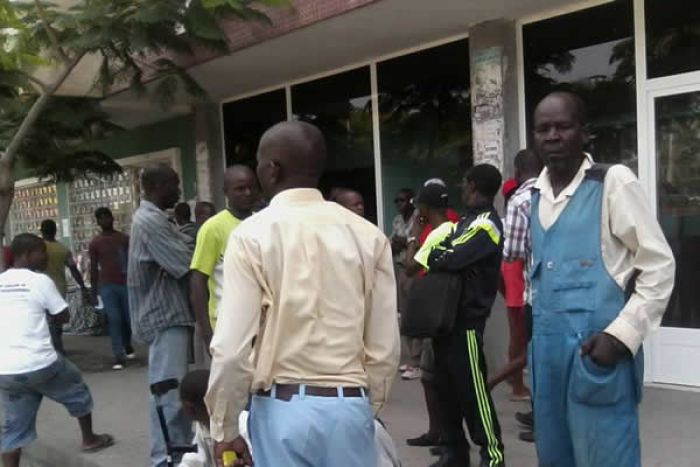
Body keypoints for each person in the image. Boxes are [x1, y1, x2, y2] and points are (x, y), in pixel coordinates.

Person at [205, 121, 400, 467]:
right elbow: (384, 347)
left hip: (281, 410)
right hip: (349, 405)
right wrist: (362, 410)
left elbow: (231, 350)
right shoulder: (368, 236)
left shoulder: (251, 236)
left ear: (272, 169)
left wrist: (225, 427)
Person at [529, 91, 675, 467]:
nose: (552, 136)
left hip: (597, 358)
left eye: (563, 126)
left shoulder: (612, 182)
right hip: (546, 363)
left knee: (606, 458)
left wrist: (622, 335)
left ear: (584, 133)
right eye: (543, 129)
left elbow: (658, 265)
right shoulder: (534, 196)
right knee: (554, 457)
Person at [414, 164, 506, 467]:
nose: (461, 189)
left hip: (466, 321)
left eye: (464, 183)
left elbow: (450, 256)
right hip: (445, 319)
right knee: (444, 390)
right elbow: (428, 257)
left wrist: (443, 256)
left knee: (472, 392)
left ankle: (492, 455)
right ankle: (455, 452)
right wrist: (442, 256)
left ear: (474, 186)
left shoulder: (486, 224)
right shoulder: (464, 222)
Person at [0, 234, 114, 467]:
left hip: (6, 370)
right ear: (28, 253)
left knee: (14, 428)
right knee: (76, 387)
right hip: (41, 364)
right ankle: (89, 439)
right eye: (42, 252)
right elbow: (63, 315)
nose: (45, 257)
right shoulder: (40, 281)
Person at [128, 166, 195, 467]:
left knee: (173, 391)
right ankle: (165, 458)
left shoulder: (156, 219)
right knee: (168, 393)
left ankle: (176, 452)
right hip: (163, 316)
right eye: (175, 185)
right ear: (157, 185)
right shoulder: (150, 221)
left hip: (169, 314)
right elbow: (186, 261)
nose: (179, 192)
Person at [487, 149, 543, 443]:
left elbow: (512, 252)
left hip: (534, 291)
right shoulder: (559, 192)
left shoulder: (521, 201)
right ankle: (539, 414)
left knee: (534, 355)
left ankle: (542, 420)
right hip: (562, 293)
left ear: (518, 170)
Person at [402, 182, 457, 448]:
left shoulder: (437, 233)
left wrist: (412, 237)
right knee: (431, 378)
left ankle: (444, 434)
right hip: (440, 312)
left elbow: (411, 267)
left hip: (436, 314)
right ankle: (439, 432)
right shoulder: (448, 228)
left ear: (424, 207)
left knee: (433, 378)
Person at [190, 166, 257, 353]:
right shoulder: (213, 228)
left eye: (252, 187)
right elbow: (197, 280)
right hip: (225, 323)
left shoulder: (262, 223)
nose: (248, 193)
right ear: (226, 192)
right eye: (240, 188)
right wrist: (206, 333)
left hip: (259, 323)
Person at [88, 207, 134, 370]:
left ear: (112, 218)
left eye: (107, 217)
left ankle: (127, 344)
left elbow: (132, 261)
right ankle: (118, 355)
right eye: (101, 218)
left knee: (128, 320)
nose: (105, 221)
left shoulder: (124, 239)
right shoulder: (95, 243)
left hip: (126, 284)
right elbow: (93, 267)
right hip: (107, 285)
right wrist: (93, 291)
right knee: (114, 319)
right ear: (98, 222)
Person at [40, 219, 89, 354]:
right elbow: (74, 269)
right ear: (55, 231)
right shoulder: (63, 249)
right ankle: (58, 347)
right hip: (59, 289)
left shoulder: (38, 248)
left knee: (44, 320)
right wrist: (83, 286)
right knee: (56, 320)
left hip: (40, 289)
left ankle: (52, 349)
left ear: (41, 231)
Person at [389, 188, 422, 380]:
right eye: (396, 201)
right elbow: (393, 244)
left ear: (410, 201)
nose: (398, 204)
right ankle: (411, 359)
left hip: (416, 270)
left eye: (401, 200)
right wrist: (402, 242)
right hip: (401, 268)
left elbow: (418, 242)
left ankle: (417, 361)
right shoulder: (397, 220)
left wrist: (406, 241)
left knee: (416, 314)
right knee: (405, 315)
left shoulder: (420, 218)